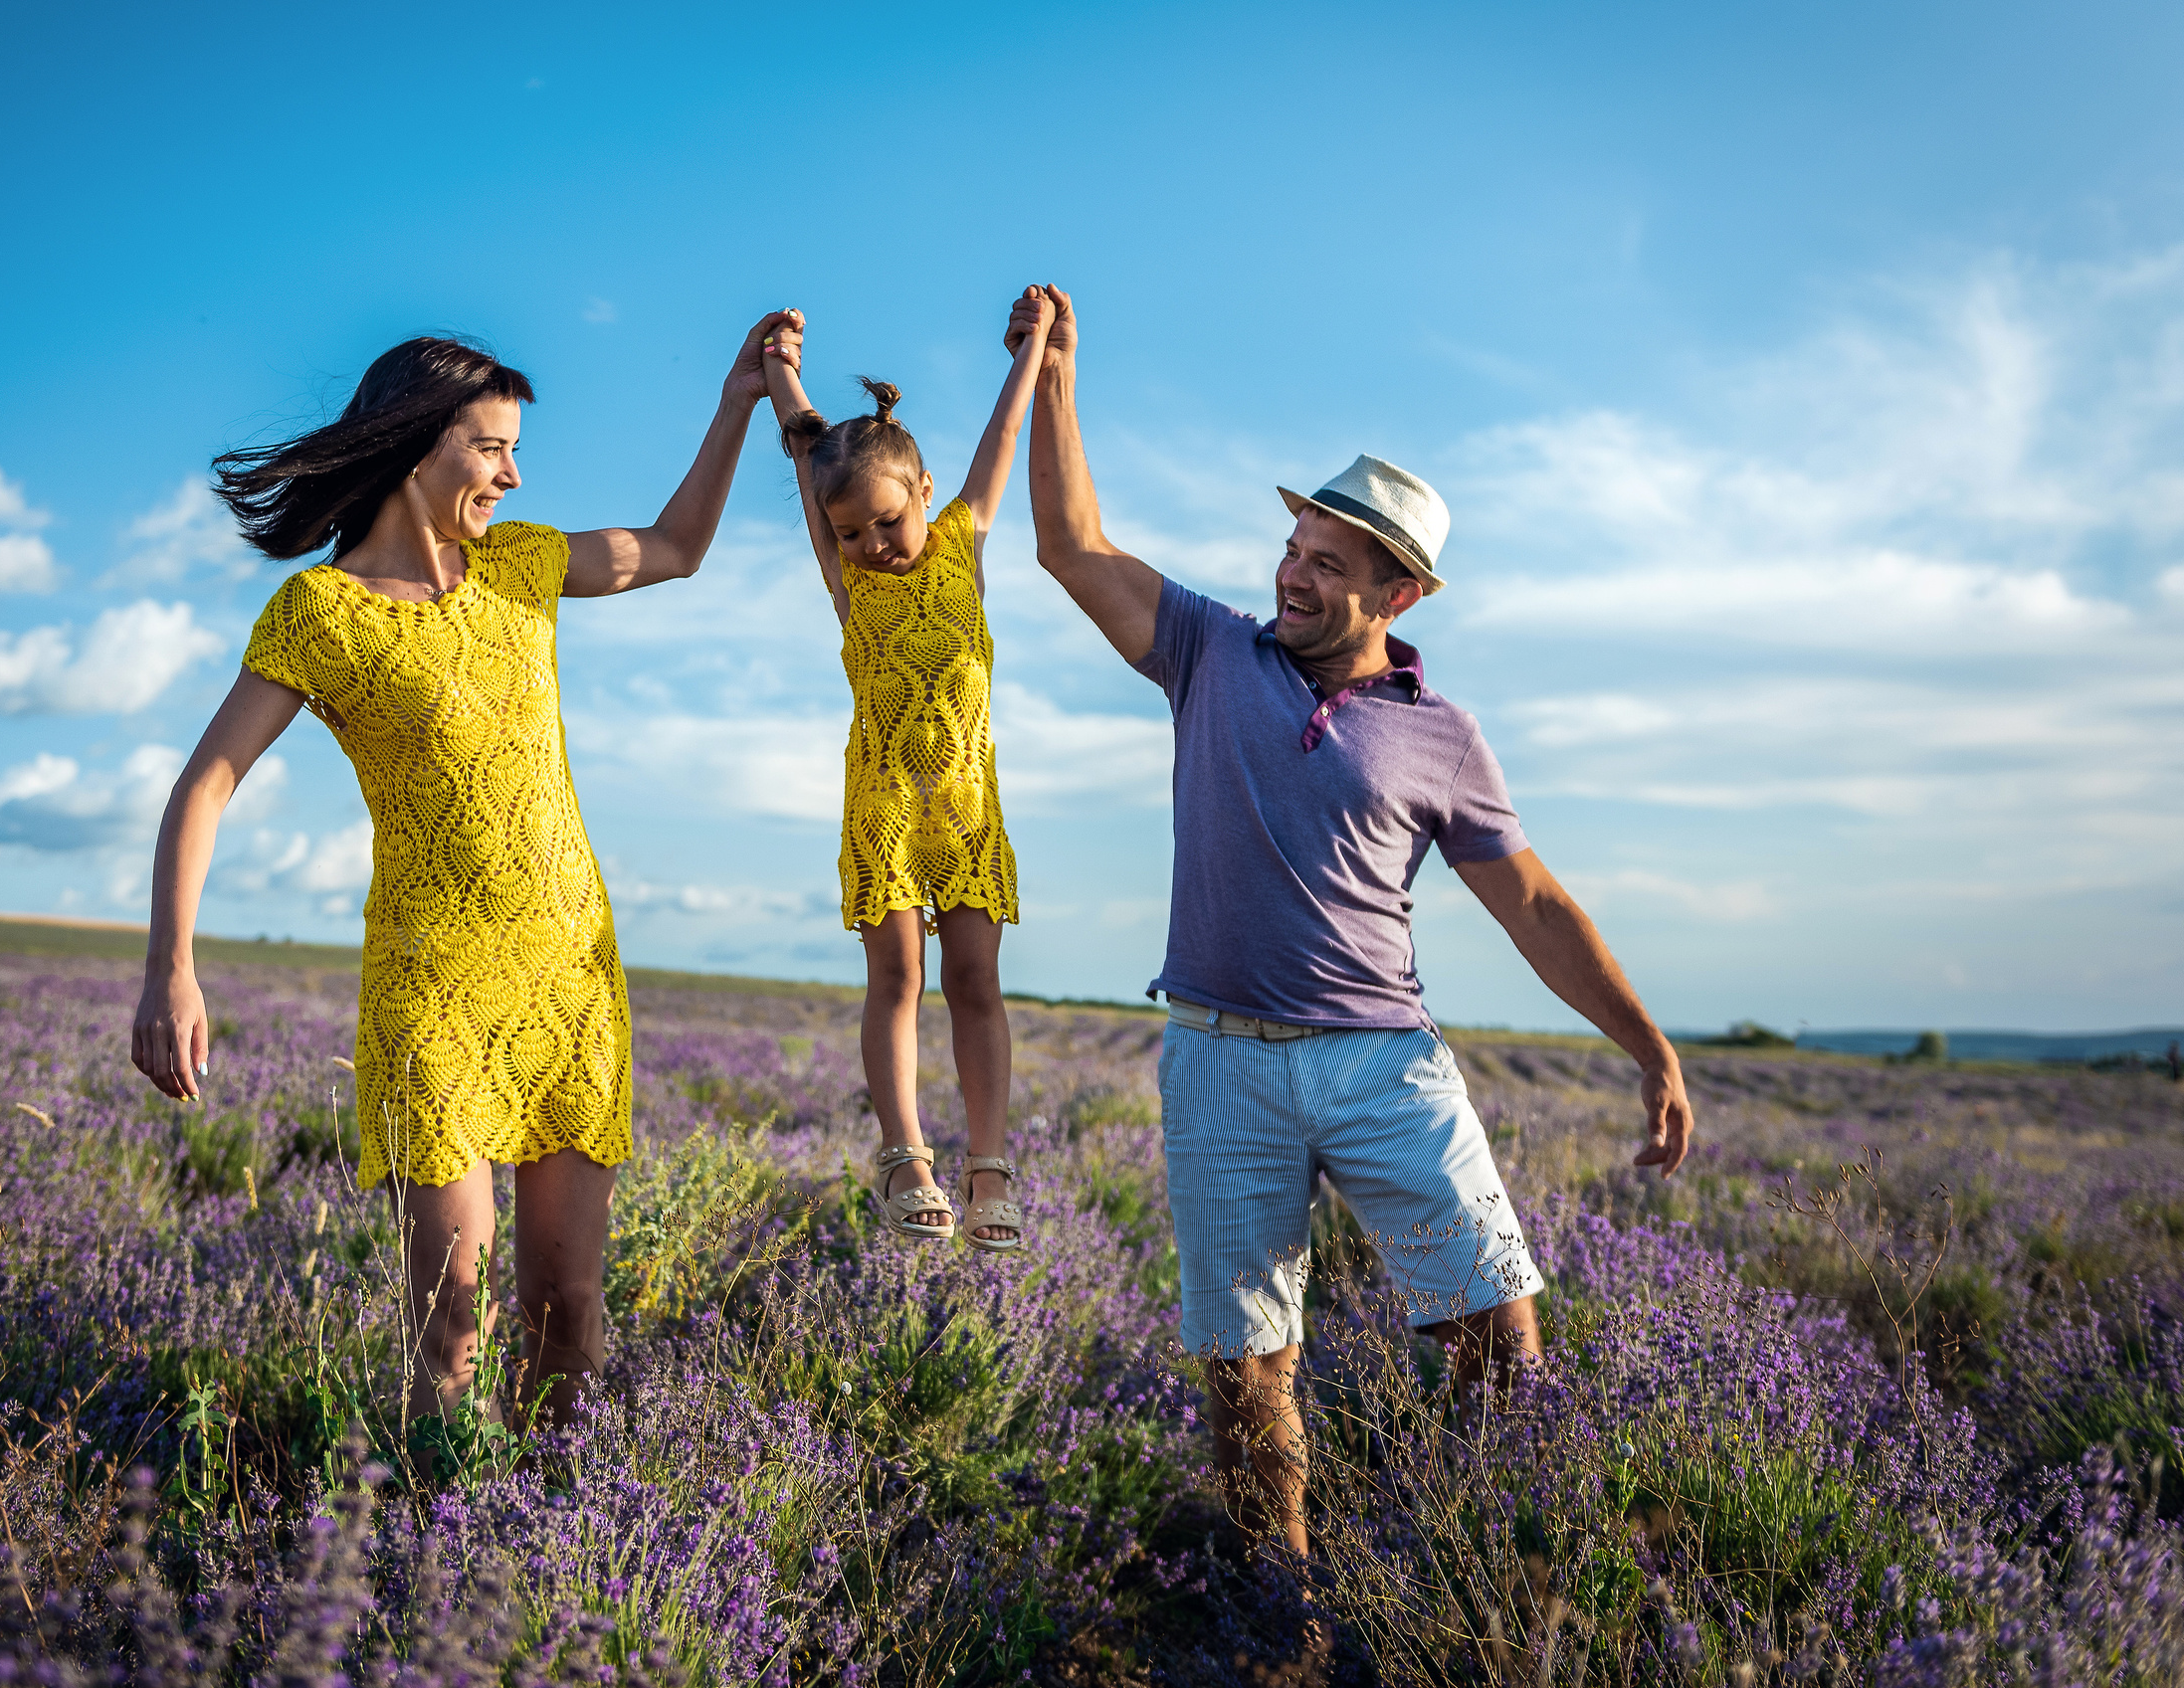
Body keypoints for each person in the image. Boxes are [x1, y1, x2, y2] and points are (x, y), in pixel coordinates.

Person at [1017, 284, 1694, 1559]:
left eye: (1329, 564)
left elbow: (1535, 905)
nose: (1292, 574)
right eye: (1293, 547)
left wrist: (1647, 1046)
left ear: (1401, 594)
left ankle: (1480, 1571)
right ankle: (1285, 1602)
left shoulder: (1443, 735)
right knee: (1245, 1369)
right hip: (1217, 1058)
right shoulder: (1209, 652)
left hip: (1384, 1063)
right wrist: (1057, 370)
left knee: (1499, 1336)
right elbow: (1069, 544)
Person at [130, 313, 802, 1429]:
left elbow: (676, 545)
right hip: (431, 989)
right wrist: (172, 968)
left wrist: (736, 401)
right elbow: (205, 782)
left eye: (513, 449)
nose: (512, 470)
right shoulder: (322, 612)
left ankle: (541, 1558)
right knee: (454, 1318)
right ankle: (428, 1559)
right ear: (418, 443)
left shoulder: (526, 567)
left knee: (570, 1313)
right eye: (492, 445)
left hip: (569, 983)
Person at [758, 290, 1057, 1250]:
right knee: (898, 977)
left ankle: (990, 1165)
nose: (872, 548)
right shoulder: (850, 581)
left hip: (967, 810)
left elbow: (1005, 430)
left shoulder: (961, 544)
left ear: (924, 491)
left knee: (975, 980)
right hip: (884, 804)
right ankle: (907, 1156)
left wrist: (1036, 346)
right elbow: (808, 451)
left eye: (886, 523)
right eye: (850, 534)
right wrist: (780, 364)